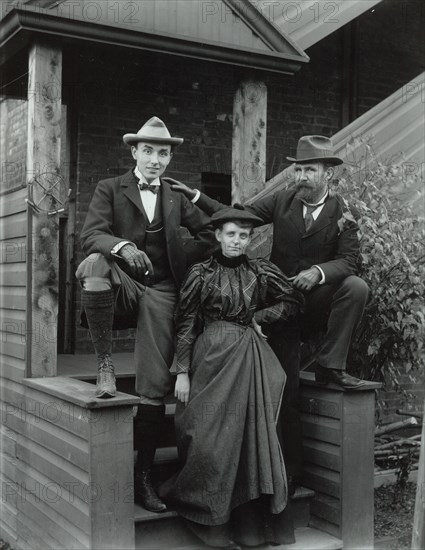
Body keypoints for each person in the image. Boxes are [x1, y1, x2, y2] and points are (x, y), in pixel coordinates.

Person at [169, 135, 369, 492]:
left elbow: (351, 260)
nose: (303, 176)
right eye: (299, 169)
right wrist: (195, 196)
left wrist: (319, 272)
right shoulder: (283, 200)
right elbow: (239, 214)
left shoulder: (343, 212)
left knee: (356, 286)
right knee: (284, 390)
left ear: (328, 175)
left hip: (318, 302)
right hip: (280, 308)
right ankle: (286, 471)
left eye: (311, 170)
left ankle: (331, 365)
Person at [75, 116, 215, 513]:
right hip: (121, 279)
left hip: (162, 287)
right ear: (134, 152)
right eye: (149, 151)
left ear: (169, 158)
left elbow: (210, 232)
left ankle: (143, 477)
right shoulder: (110, 188)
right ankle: (104, 363)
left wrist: (176, 259)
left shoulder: (174, 195)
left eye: (163, 153)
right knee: (92, 265)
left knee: (152, 382)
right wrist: (119, 246)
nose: (156, 159)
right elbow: (90, 235)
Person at [159, 207, 304, 549]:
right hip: (209, 357)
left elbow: (294, 299)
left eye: (243, 235)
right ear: (218, 236)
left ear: (249, 239)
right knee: (210, 437)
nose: (236, 241)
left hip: (250, 356)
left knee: (253, 433)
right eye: (230, 234)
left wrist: (260, 316)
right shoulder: (201, 273)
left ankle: (251, 527)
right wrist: (181, 371)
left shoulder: (261, 271)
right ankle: (211, 520)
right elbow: (185, 323)